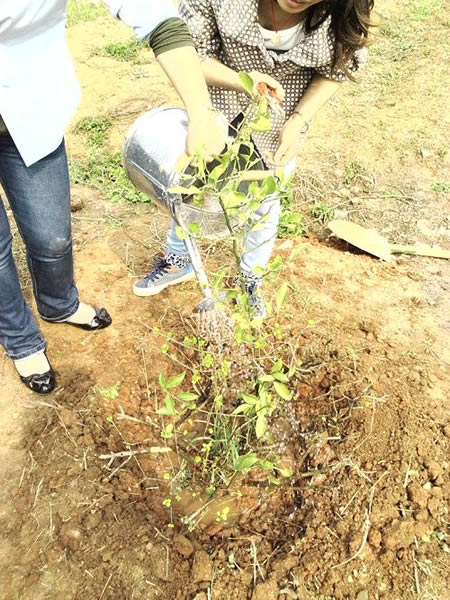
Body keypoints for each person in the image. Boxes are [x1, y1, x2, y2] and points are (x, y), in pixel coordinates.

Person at [0, 0, 228, 394]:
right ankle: (20, 339)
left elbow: (155, 16)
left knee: (52, 238)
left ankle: (59, 304)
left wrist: (202, 113)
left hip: (29, 110)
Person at [133, 0, 373, 318]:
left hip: (279, 125)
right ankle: (179, 259)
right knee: (192, 189)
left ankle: (249, 280)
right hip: (217, 113)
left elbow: (339, 67)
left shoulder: (342, 11)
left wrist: (299, 118)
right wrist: (244, 81)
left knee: (265, 203)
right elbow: (189, 55)